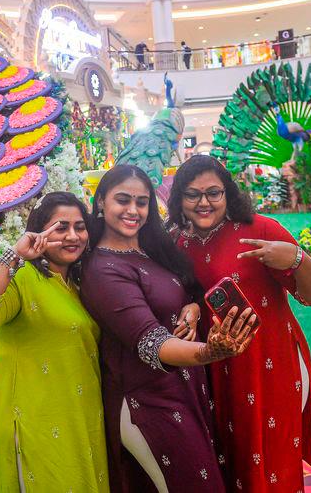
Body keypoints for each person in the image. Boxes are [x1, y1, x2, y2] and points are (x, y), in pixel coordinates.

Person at [81, 164, 259, 492]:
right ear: (101, 201)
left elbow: (183, 289)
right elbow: (151, 342)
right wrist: (210, 351)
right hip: (147, 401)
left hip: (184, 389)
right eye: (123, 200)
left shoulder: (152, 249)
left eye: (142, 201)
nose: (133, 210)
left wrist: (191, 308)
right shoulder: (102, 270)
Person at [168, 155, 311, 493]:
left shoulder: (260, 230)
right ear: (178, 199)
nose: (203, 203)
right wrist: (192, 308)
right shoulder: (176, 243)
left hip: (268, 366)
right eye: (192, 194)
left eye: (213, 192)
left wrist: (297, 259)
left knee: (270, 460)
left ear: (228, 193)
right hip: (211, 366)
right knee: (226, 458)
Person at [0, 192, 110, 492]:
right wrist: (14, 256)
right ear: (38, 231)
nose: (72, 236)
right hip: (34, 423)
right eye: (60, 227)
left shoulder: (79, 282)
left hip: (81, 415)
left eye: (80, 227)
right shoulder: (21, 280)